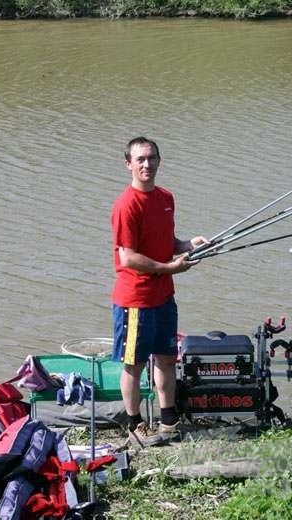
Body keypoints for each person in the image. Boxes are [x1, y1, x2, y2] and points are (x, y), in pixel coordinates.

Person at [111, 137, 208, 447]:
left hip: (164, 297)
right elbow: (129, 257)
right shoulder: (126, 205)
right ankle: (135, 424)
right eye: (139, 159)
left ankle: (168, 421)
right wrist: (171, 268)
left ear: (159, 161)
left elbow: (167, 242)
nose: (146, 164)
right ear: (128, 164)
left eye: (151, 158)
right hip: (136, 300)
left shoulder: (166, 197)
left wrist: (188, 245)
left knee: (166, 359)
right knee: (134, 365)